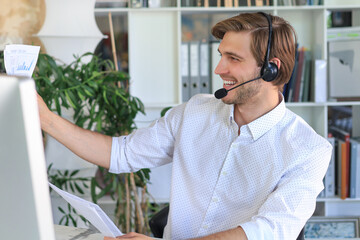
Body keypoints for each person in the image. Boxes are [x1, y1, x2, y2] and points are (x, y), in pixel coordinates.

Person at [37, 12, 332, 240]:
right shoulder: (195, 112)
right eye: (221, 56)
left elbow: (267, 232)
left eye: (233, 59)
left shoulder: (308, 150)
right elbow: (120, 154)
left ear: (271, 69)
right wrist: (46, 119)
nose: (219, 69)